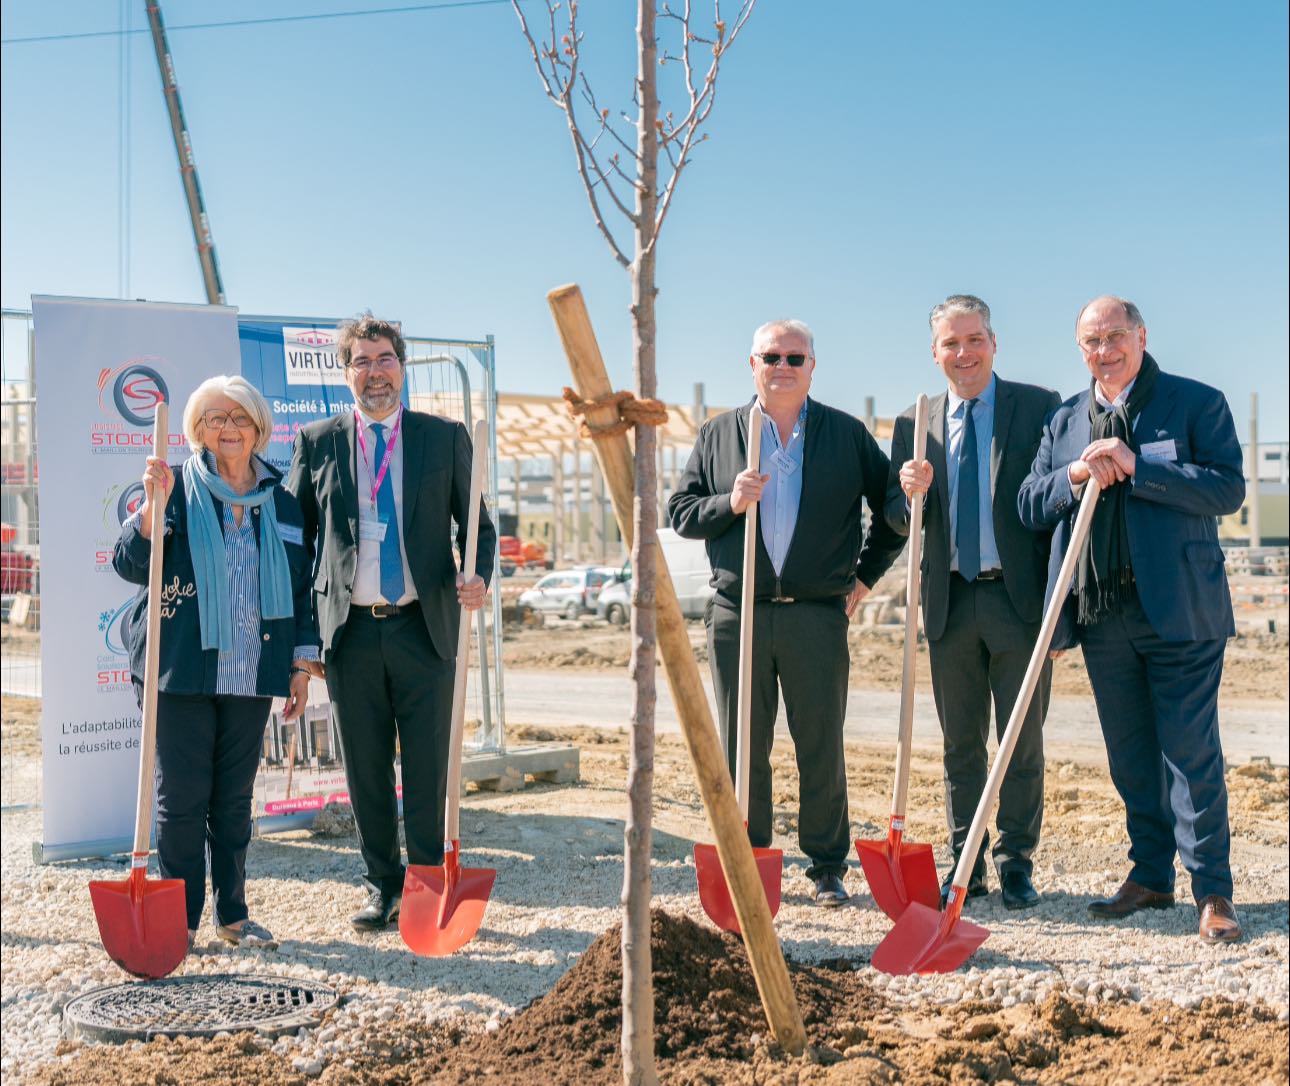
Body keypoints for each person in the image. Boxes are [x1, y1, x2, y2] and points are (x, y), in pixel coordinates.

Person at [1017, 296, 1246, 943]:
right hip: (1101, 616)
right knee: (1130, 758)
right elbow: (1030, 503)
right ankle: (1150, 875)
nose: (1105, 349)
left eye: (1117, 335)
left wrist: (1139, 468)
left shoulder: (1195, 402)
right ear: (1079, 348)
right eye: (1092, 340)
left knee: (1190, 754)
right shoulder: (1064, 420)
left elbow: (1227, 487)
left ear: (1141, 336)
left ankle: (1213, 892)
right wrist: (1073, 473)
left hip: (1181, 613)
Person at [668, 319, 904, 906]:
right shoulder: (720, 434)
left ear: (812, 367)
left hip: (816, 615)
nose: (783, 366)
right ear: (752, 364)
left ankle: (826, 864)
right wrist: (730, 501)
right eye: (771, 356)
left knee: (819, 740)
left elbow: (894, 512)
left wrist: (867, 575)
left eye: (795, 357)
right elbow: (681, 512)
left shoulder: (846, 436)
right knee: (742, 742)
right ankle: (749, 856)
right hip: (737, 612)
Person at [286, 313, 496, 932]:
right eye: (362, 361)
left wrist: (478, 574)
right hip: (349, 635)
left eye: (384, 360)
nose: (374, 373)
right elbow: (296, 543)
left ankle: (427, 886)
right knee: (367, 768)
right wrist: (302, 641)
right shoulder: (319, 442)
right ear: (345, 371)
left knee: (429, 767)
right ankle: (381, 885)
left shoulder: (442, 437)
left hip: (423, 628)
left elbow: (478, 525)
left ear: (401, 367)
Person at [113, 375, 318, 949]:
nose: (226, 429)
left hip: (253, 670)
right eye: (213, 419)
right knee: (179, 802)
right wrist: (151, 515)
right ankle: (178, 922)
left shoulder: (282, 504)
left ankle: (233, 915)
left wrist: (300, 667)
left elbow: (301, 592)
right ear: (197, 430)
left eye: (238, 419)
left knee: (232, 802)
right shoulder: (174, 488)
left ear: (258, 429)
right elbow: (130, 565)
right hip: (181, 669)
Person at [886, 295, 1061, 911]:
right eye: (950, 344)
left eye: (974, 340)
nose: (964, 353)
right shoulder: (915, 422)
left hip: (1017, 601)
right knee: (961, 743)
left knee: (1020, 740)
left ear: (994, 343)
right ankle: (969, 858)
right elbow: (894, 516)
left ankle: (1017, 861)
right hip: (950, 603)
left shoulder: (1039, 408)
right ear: (935, 354)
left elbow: (1055, 504)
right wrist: (905, 493)